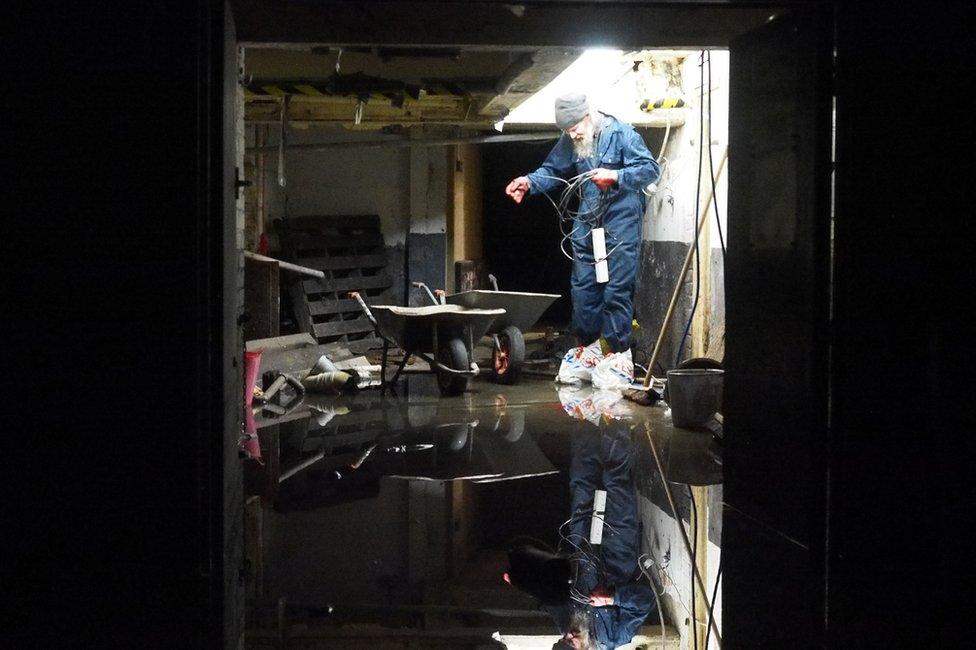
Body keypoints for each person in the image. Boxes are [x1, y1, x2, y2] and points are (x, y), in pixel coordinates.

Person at [505, 93, 659, 390]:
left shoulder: (623, 134)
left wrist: (615, 175)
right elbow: (552, 170)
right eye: (567, 130)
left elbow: (650, 170)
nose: (573, 134)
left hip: (620, 221)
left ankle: (617, 354)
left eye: (575, 127)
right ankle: (588, 350)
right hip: (588, 220)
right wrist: (529, 181)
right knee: (584, 286)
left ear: (588, 115)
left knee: (616, 288)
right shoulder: (570, 139)